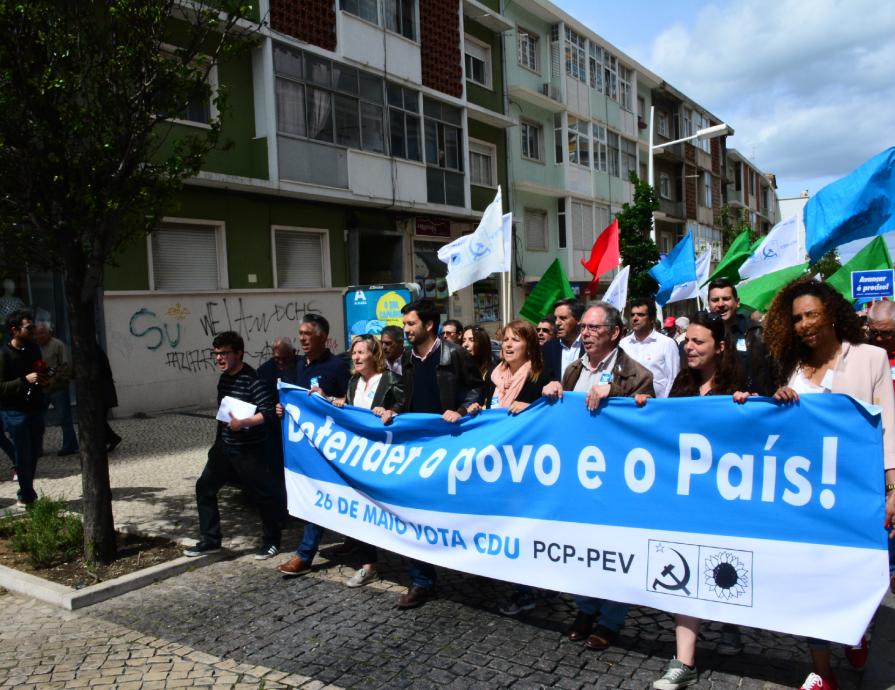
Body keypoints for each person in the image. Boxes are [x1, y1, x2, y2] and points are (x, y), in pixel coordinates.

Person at [751, 279, 895, 690]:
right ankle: (823, 671)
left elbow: (887, 426)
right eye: (796, 318)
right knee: (809, 583)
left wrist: (892, 487)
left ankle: (857, 631)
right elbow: (779, 429)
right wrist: (778, 401)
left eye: (810, 314)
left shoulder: (870, 358)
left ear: (831, 312)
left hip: (854, 492)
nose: (803, 324)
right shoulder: (792, 366)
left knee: (852, 578)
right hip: (804, 497)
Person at [641, 311, 745, 690]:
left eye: (698, 342)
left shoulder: (740, 383)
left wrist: (750, 407)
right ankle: (683, 661)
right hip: (686, 501)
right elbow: (663, 430)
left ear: (720, 347)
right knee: (685, 574)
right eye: (687, 341)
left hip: (727, 501)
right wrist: (644, 408)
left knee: (726, 570)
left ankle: (731, 624)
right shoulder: (681, 388)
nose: (689, 347)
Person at [542, 302, 654, 650]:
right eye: (585, 328)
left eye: (594, 329)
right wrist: (552, 393)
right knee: (581, 547)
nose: (586, 334)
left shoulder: (636, 374)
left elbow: (651, 423)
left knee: (615, 550)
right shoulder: (573, 370)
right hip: (579, 476)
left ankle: (611, 619)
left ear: (615, 333)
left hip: (617, 481)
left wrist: (618, 395)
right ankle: (585, 609)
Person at [396, 298, 483, 608]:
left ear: (429, 325)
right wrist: (390, 409)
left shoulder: (455, 354)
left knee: (450, 511)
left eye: (410, 324)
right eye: (405, 324)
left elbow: (475, 389)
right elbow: (404, 395)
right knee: (409, 512)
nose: (405, 330)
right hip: (414, 448)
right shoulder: (407, 358)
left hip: (448, 448)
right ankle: (421, 580)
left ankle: (473, 566)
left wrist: (460, 410)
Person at [471, 319, 551, 616]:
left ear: (529, 345)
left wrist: (531, 409)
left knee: (521, 528)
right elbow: (481, 403)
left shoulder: (540, 377)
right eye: (504, 339)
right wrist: (475, 408)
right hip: (495, 466)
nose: (507, 344)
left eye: (515, 340)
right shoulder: (494, 376)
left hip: (524, 468)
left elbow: (551, 416)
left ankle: (525, 591)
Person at [184, 331, 282, 560]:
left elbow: (268, 413)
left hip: (248, 450)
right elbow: (223, 414)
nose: (219, 358)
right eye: (216, 354)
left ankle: (271, 541)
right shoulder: (224, 379)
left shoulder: (253, 379)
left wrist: (244, 422)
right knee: (204, 488)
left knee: (261, 496)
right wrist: (217, 444)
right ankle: (211, 540)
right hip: (225, 448)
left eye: (224, 353)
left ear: (239, 353)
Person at [277, 314, 351, 577]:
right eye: (300, 333)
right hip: (301, 446)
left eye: (307, 333)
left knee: (321, 496)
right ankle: (355, 543)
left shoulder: (337, 367)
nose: (302, 338)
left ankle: (305, 554)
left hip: (328, 445)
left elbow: (349, 402)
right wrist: (281, 408)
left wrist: (330, 399)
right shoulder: (295, 366)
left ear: (322, 336)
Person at [330, 335, 404, 587]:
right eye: (354, 352)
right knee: (360, 510)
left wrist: (392, 412)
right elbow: (351, 410)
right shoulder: (353, 382)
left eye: (362, 352)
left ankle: (410, 557)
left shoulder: (391, 381)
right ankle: (367, 563)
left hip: (385, 457)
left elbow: (406, 408)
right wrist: (339, 402)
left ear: (374, 355)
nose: (357, 357)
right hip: (360, 458)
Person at [0, 311, 47, 506]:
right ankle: (27, 495)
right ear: (15, 330)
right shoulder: (3, 354)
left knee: (34, 452)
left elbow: (39, 372)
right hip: (14, 412)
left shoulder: (34, 349)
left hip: (35, 408)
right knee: (22, 454)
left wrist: (44, 377)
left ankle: (26, 491)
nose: (33, 330)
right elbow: (1, 387)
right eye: (29, 327)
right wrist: (23, 381)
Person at [867, 300, 895, 595]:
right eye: (874, 333)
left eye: (886, 334)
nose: (879, 340)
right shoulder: (867, 357)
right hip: (875, 453)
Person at [707, 278, 776, 396]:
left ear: (737, 302)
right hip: (718, 404)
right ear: (709, 304)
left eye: (726, 299)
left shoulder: (757, 332)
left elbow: (772, 373)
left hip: (749, 405)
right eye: (715, 300)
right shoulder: (704, 334)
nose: (720, 304)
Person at [257, 337, 297, 522]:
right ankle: (280, 514)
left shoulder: (300, 366)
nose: (280, 363)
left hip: (297, 432)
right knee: (275, 475)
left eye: (285, 359)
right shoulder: (265, 371)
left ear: (293, 354)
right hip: (274, 432)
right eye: (277, 359)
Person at [621, 298, 681, 398]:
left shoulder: (667, 343)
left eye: (640, 315)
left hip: (657, 406)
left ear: (652, 319)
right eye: (632, 315)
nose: (635, 318)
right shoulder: (623, 344)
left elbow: (673, 378)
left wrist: (664, 404)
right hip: (629, 406)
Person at [34, 322, 78, 456]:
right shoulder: (34, 347)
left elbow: (65, 366)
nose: (39, 336)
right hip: (40, 388)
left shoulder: (58, 345)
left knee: (64, 417)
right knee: (37, 419)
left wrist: (54, 380)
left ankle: (69, 445)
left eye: (42, 333)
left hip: (57, 387)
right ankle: (37, 448)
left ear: (49, 333)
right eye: (37, 334)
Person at [542, 298, 584, 381]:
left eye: (563, 318)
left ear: (578, 320)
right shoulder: (548, 348)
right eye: (555, 318)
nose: (557, 323)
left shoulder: (591, 347)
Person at [461, 325, 494, 404]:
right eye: (463, 340)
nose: (465, 344)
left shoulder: (493, 371)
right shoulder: (459, 369)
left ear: (482, 343)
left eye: (471, 340)